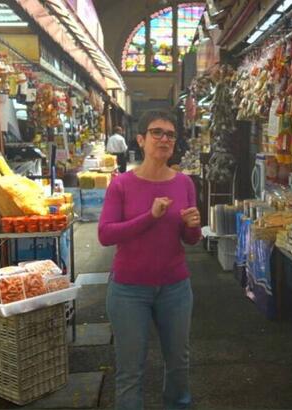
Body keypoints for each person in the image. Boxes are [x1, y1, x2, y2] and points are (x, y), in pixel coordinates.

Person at [98, 110, 201, 410]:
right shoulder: (121, 185)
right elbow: (105, 234)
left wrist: (192, 225)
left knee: (179, 364)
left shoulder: (184, 184)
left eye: (170, 134)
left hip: (175, 288)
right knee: (131, 369)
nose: (164, 139)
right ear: (141, 140)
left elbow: (190, 240)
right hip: (129, 289)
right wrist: (150, 216)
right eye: (157, 132)